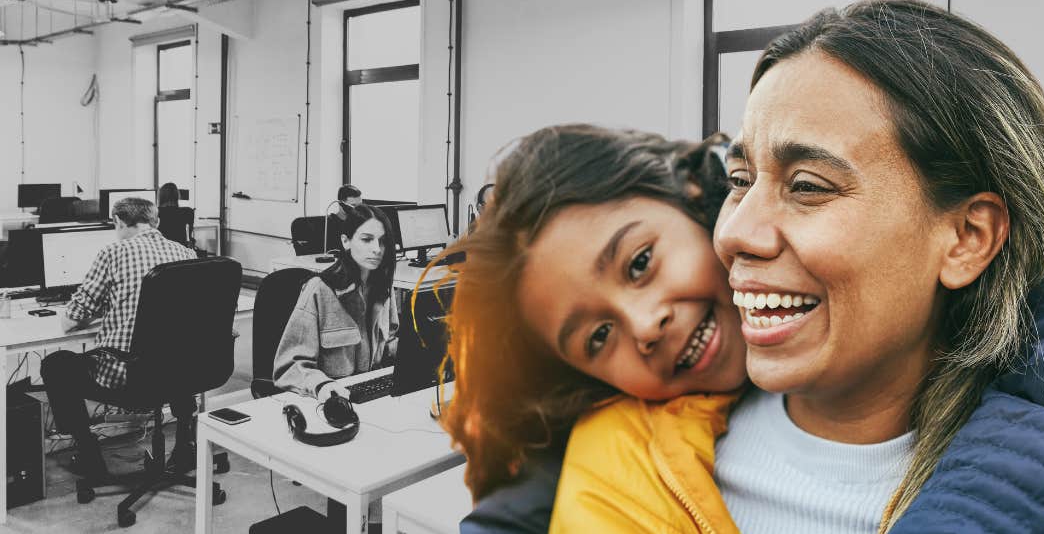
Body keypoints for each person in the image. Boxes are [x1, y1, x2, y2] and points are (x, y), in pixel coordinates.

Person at [461, 0, 1044, 533]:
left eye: (806, 185)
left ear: (967, 236)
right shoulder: (624, 470)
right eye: (742, 178)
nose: (738, 233)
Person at [427, 124, 745, 531]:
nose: (645, 325)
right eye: (599, 337)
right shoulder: (610, 450)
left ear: (692, 191)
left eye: (639, 263)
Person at [40, 197, 198, 482]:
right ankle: (186, 441)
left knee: (56, 365)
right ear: (156, 222)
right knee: (176, 344)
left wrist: (104, 313)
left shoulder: (113, 252)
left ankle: (89, 456)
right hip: (179, 373)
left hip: (130, 377)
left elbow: (70, 320)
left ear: (118, 222)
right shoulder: (186, 253)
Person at [274, 203, 399, 398]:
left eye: (382, 242)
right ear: (346, 241)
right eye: (367, 240)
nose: (377, 249)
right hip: (329, 398)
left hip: (371, 392)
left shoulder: (383, 288)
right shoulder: (320, 290)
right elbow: (290, 366)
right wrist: (321, 386)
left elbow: (390, 342)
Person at [325, 184, 364, 254]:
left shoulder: (362, 222)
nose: (357, 209)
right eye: (353, 205)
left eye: (360, 205)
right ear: (341, 204)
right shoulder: (329, 224)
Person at [156, 182, 194, 248]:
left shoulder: (155, 212)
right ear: (177, 195)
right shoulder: (188, 211)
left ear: (160, 196)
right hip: (181, 249)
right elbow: (189, 236)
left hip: (160, 248)